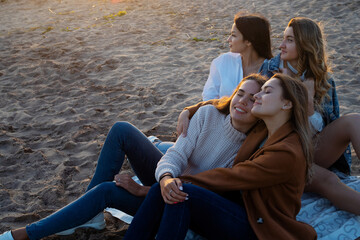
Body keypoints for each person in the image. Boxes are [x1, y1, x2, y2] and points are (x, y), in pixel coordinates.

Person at [0, 74, 267, 240]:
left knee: (107, 190)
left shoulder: (254, 145)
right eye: (239, 93)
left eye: (251, 98)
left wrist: (144, 191)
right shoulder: (208, 115)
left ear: (262, 107)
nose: (241, 101)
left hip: (183, 201)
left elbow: (214, 189)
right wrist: (161, 179)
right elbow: (176, 154)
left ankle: (27, 233)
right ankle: (87, 215)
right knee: (122, 129)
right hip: (168, 182)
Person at [178, 17, 360, 215]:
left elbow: (328, 125)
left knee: (354, 121)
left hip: (310, 144)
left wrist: (308, 104)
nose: (281, 45)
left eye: (289, 40)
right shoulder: (270, 70)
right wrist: (191, 109)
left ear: (306, 44)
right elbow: (237, 99)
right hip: (276, 149)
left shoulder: (322, 79)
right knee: (326, 180)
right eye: (283, 38)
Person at [124, 74, 317, 240]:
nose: (257, 96)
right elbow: (226, 102)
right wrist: (189, 110)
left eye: (266, 92)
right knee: (171, 190)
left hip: (260, 228)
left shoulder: (287, 152)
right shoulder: (264, 129)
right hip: (247, 212)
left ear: (286, 104)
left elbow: (232, 176)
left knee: (179, 192)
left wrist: (161, 186)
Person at [202, 12, 272, 100]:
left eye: (233, 35)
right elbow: (209, 97)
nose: (228, 39)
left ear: (248, 41)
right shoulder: (222, 61)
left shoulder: (271, 69)